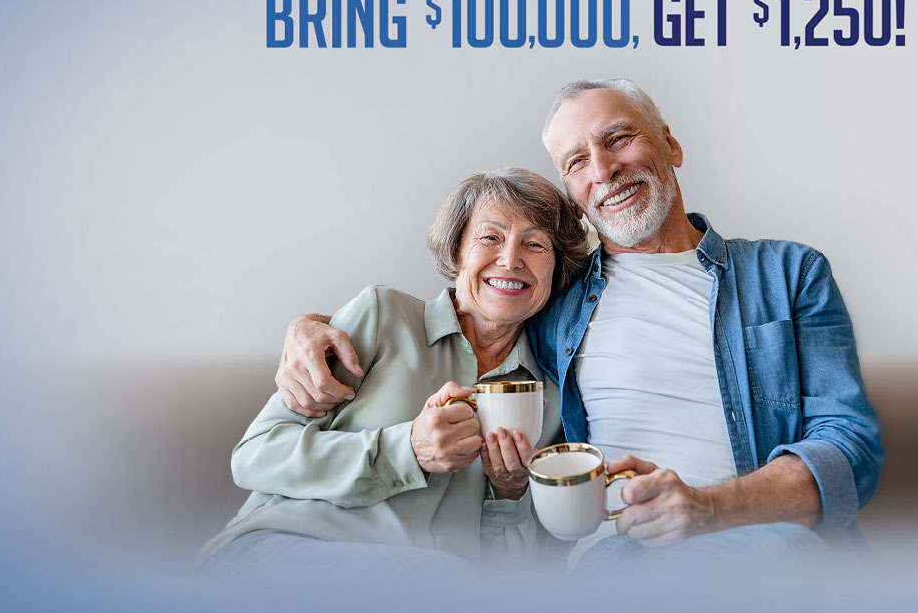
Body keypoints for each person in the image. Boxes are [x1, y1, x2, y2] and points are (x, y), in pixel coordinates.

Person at [275, 78, 882, 571]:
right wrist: (312, 327)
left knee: (789, 557)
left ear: (670, 146)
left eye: (618, 139)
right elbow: (468, 305)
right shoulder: (554, 297)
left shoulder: (789, 272)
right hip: (620, 553)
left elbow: (850, 448)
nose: (603, 169)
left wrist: (707, 509)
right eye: (576, 161)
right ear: (571, 189)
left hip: (771, 540)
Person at [198, 167, 590, 576]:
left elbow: (511, 575)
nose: (510, 260)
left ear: (556, 268)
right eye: (490, 237)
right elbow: (255, 456)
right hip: (278, 550)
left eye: (535, 244)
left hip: (423, 595)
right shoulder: (383, 315)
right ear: (457, 252)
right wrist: (408, 450)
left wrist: (509, 496)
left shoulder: (547, 398)